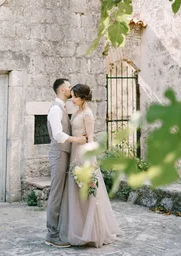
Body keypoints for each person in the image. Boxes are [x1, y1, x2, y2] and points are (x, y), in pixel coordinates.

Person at [60, 83, 120, 247]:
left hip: (83, 154)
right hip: (74, 152)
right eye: (72, 96)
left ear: (83, 97)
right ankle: (78, 229)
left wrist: (90, 163)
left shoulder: (87, 114)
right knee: (75, 192)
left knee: (87, 192)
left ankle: (92, 232)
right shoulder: (77, 111)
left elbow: (91, 139)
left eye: (75, 96)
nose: (72, 99)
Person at [45, 78, 87, 248]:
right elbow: (58, 135)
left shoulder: (63, 108)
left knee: (62, 194)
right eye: (69, 87)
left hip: (65, 154)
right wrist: (78, 139)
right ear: (63, 90)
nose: (72, 89)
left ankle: (60, 230)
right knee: (56, 194)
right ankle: (52, 234)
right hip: (59, 154)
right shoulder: (55, 110)